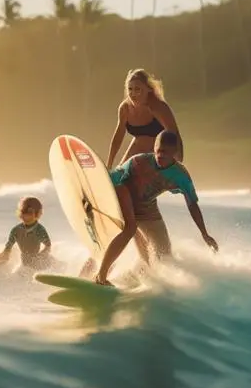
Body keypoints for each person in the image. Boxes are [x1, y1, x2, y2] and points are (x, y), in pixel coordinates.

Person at [93, 130, 218, 286]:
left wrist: (204, 233)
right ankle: (101, 276)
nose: (160, 155)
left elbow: (192, 204)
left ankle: (131, 281)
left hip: (147, 209)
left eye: (165, 153)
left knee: (163, 256)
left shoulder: (180, 175)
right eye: (158, 151)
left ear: (175, 153)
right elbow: (111, 180)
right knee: (130, 228)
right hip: (125, 197)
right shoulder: (138, 161)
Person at [105, 68, 184, 267]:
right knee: (118, 188)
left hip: (155, 155)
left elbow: (174, 134)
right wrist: (109, 164)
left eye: (138, 89)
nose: (133, 93)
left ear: (148, 90)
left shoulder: (158, 107)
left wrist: (177, 165)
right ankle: (143, 256)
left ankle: (150, 255)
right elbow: (118, 137)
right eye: (130, 89)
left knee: (136, 199)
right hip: (137, 148)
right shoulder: (125, 108)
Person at [0, 196, 54, 272]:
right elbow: (6, 253)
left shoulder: (39, 230)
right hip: (25, 266)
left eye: (30, 212)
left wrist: (39, 258)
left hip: (42, 263)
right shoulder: (16, 230)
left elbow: (48, 246)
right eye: (23, 212)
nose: (26, 216)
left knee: (56, 264)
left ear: (38, 214)